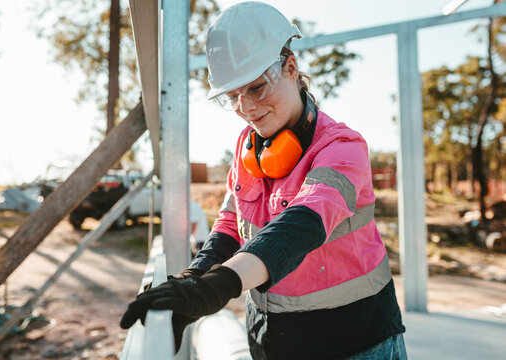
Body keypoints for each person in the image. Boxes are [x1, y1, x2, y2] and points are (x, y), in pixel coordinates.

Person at [120, 2, 407, 359]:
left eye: (256, 88)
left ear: (290, 67)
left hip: (354, 343)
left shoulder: (342, 147)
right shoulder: (247, 146)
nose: (247, 108)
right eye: (233, 96)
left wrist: (219, 286)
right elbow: (230, 225)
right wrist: (195, 276)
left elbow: (301, 225)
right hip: (271, 341)